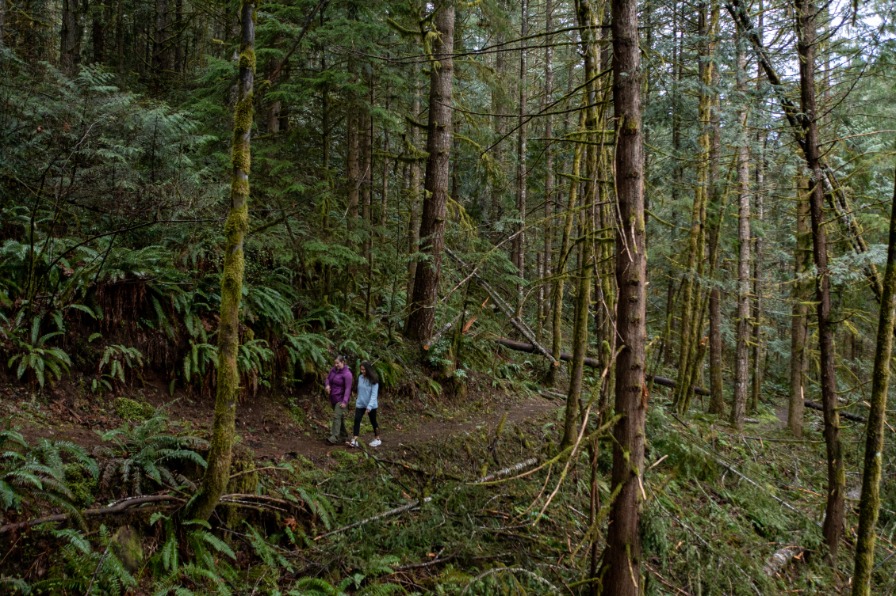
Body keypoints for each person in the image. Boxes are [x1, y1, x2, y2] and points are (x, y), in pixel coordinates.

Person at [348, 361, 381, 448]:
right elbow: (359, 390)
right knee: (357, 420)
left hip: (371, 405)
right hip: (360, 404)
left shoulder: (374, 381)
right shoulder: (360, 377)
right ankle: (355, 439)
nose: (362, 371)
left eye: (364, 370)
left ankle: (377, 439)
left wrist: (369, 406)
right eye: (361, 369)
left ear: (368, 370)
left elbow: (374, 395)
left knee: (373, 421)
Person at [325, 355, 353, 445]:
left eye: (338, 363)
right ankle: (344, 434)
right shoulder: (333, 370)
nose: (336, 365)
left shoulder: (347, 374)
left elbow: (348, 389)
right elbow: (328, 379)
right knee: (339, 417)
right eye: (335, 363)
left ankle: (334, 437)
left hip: (341, 398)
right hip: (333, 397)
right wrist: (327, 385)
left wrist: (345, 401)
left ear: (342, 362)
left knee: (336, 416)